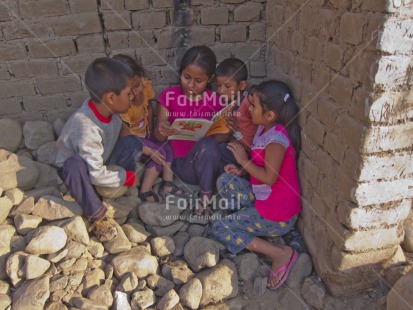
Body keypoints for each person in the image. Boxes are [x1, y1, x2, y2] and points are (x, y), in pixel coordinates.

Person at [212, 80, 302, 290]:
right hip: (265, 199)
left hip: (278, 213)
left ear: (270, 115)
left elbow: (270, 177)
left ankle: (280, 253)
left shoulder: (277, 139)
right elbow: (261, 163)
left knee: (220, 228)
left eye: (252, 106)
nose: (248, 109)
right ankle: (249, 219)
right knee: (225, 182)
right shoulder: (264, 128)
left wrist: (242, 160)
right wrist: (242, 170)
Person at [55, 57, 143, 242]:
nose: (133, 97)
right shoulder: (85, 126)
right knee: (74, 165)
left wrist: (149, 150)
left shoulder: (106, 108)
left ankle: (111, 190)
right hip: (82, 171)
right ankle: (96, 214)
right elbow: (94, 173)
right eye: (128, 93)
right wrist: (127, 177)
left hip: (100, 159)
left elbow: (123, 133)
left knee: (133, 143)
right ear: (111, 97)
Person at [155, 45, 225, 216]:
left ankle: (206, 195)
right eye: (186, 77)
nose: (191, 85)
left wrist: (227, 128)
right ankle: (206, 197)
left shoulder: (216, 100)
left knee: (211, 145)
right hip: (183, 165)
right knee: (208, 145)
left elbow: (222, 139)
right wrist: (163, 129)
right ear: (180, 72)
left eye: (198, 81)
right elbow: (158, 135)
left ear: (210, 79)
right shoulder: (169, 96)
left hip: (209, 162)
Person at [113, 54, 188, 203]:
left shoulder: (145, 88)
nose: (135, 93)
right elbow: (125, 137)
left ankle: (167, 183)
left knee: (167, 146)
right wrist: (148, 150)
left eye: (137, 86)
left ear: (141, 78)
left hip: (146, 137)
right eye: (129, 91)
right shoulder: (124, 107)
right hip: (133, 142)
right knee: (159, 153)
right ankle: (145, 191)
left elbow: (149, 110)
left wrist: (152, 135)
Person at [215, 58, 258, 174]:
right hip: (234, 149)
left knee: (217, 151)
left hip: (247, 153)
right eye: (219, 85)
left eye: (227, 86)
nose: (221, 90)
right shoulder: (227, 103)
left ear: (242, 85)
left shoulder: (248, 103)